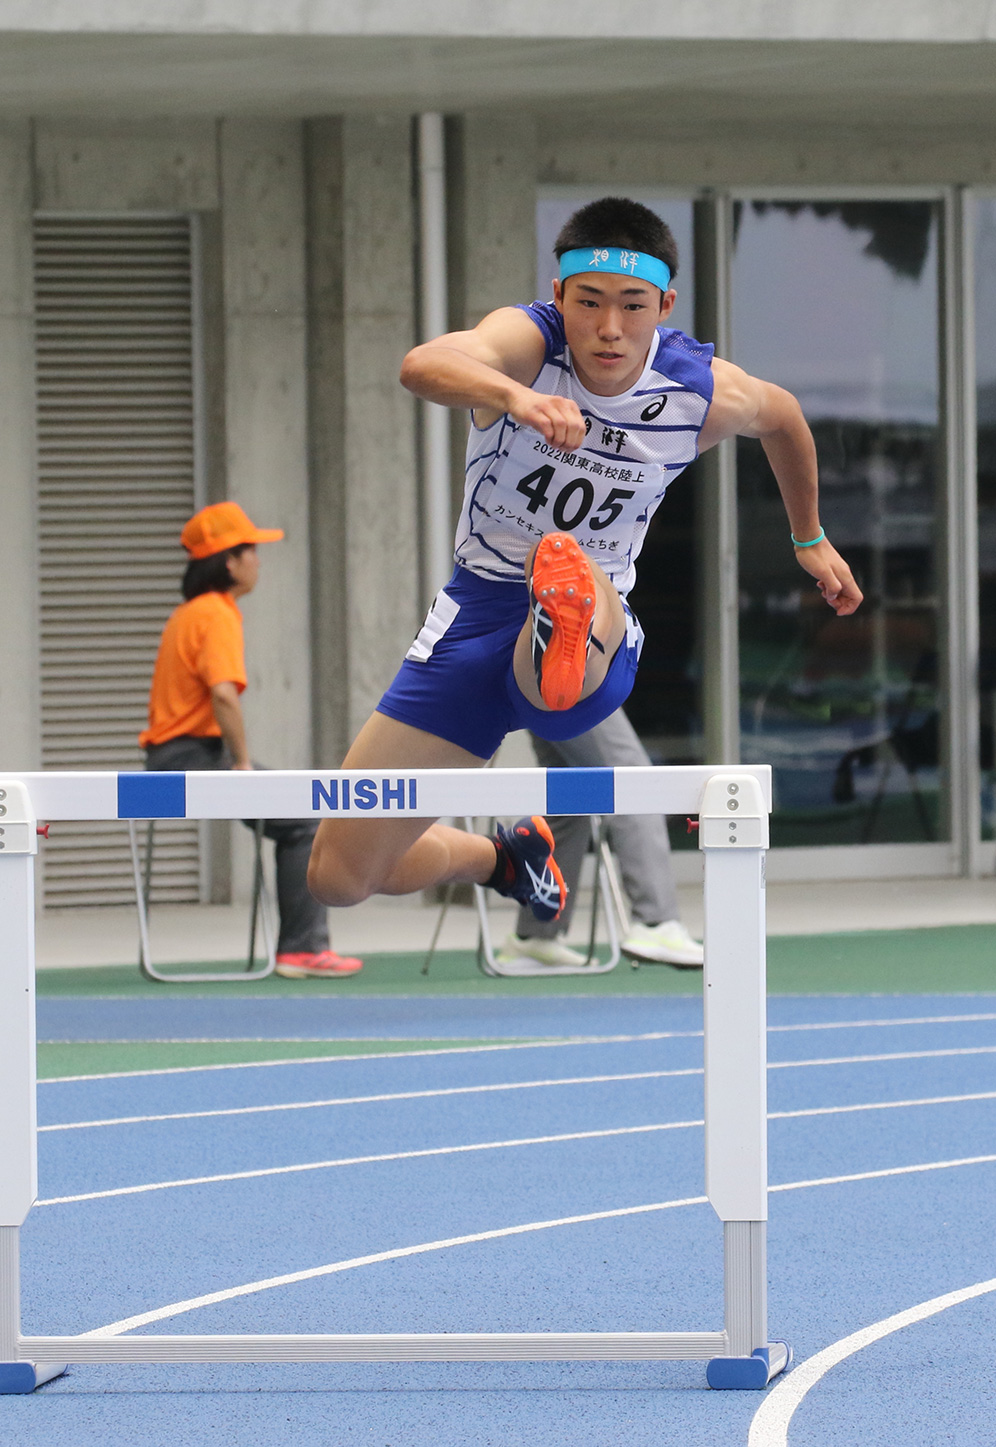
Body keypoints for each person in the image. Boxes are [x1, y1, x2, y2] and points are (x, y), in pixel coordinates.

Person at [306, 196, 862, 923]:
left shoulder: (697, 389)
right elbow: (422, 365)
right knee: (338, 877)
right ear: (559, 294)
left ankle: (560, 619)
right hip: (472, 619)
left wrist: (808, 536)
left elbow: (783, 417)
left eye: (632, 306)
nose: (609, 328)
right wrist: (515, 398)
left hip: (594, 623)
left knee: (563, 607)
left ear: (664, 304)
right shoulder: (527, 344)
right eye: (589, 302)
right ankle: (504, 859)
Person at [140, 501, 363, 979]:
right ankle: (301, 949)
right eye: (252, 551)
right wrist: (241, 763)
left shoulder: (188, 613)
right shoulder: (218, 614)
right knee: (304, 818)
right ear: (229, 561)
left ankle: (299, 946)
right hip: (192, 761)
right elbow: (223, 695)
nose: (258, 560)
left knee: (294, 811)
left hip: (167, 758)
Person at [497, 708, 703, 971]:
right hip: (566, 677)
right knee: (632, 779)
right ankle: (656, 922)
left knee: (571, 798)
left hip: (533, 681)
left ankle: (536, 934)